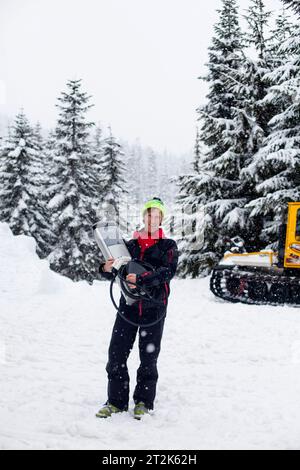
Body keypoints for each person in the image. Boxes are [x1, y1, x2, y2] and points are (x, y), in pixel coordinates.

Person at [96, 197, 179, 420]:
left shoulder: (168, 246)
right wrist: (105, 268)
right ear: (143, 217)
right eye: (149, 215)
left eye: (157, 216)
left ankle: (143, 402)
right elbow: (115, 271)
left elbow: (167, 272)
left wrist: (142, 277)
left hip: (154, 309)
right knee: (116, 354)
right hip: (128, 308)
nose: (152, 219)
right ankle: (116, 402)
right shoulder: (128, 246)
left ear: (161, 220)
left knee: (148, 358)